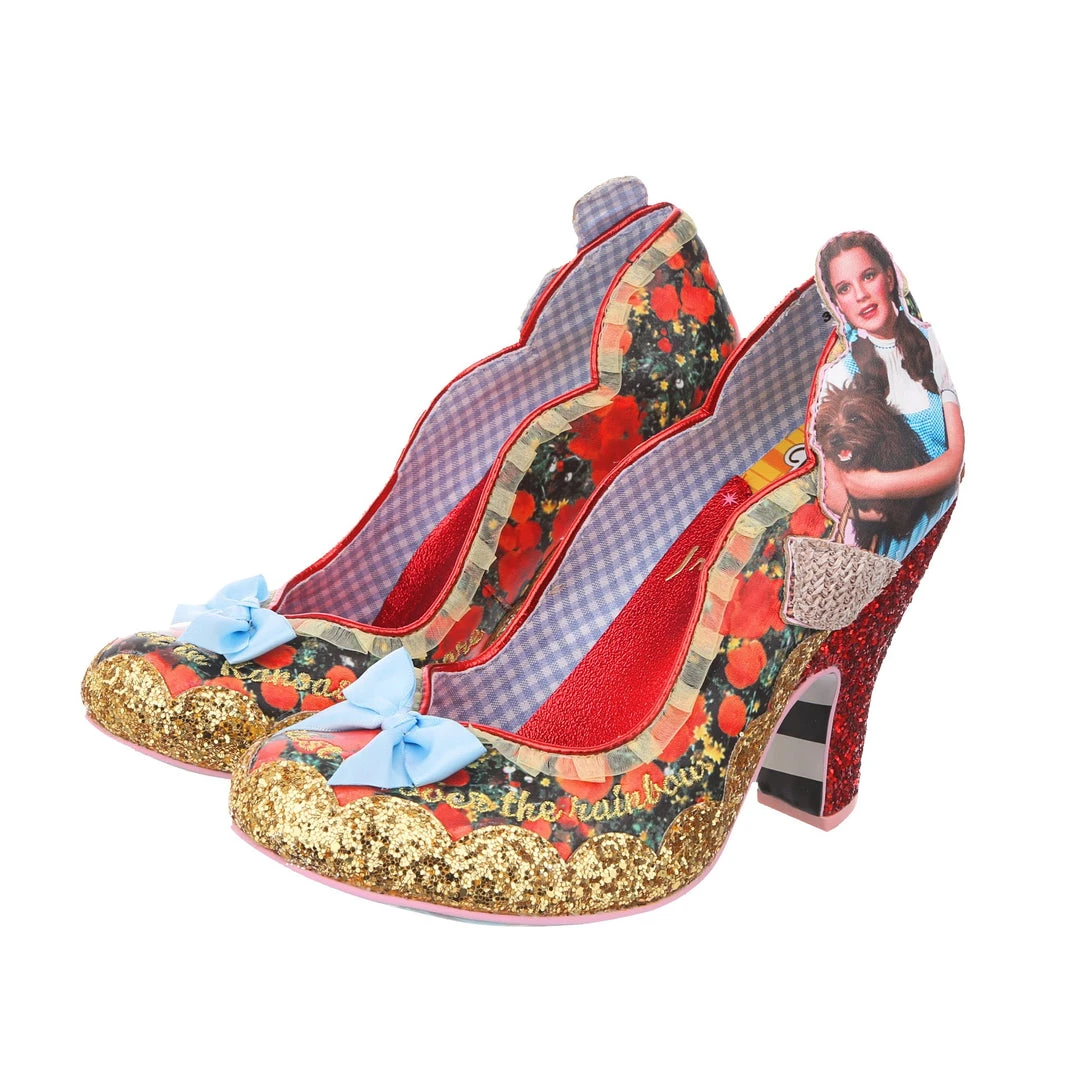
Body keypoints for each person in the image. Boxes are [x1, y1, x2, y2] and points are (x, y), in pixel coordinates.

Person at [813, 232, 965, 559]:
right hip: (893, 548)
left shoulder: (932, 341)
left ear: (890, 278)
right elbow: (835, 491)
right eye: (844, 288)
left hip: (953, 518)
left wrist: (878, 486)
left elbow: (955, 462)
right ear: (837, 304)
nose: (861, 295)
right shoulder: (839, 374)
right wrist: (886, 511)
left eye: (868, 276)